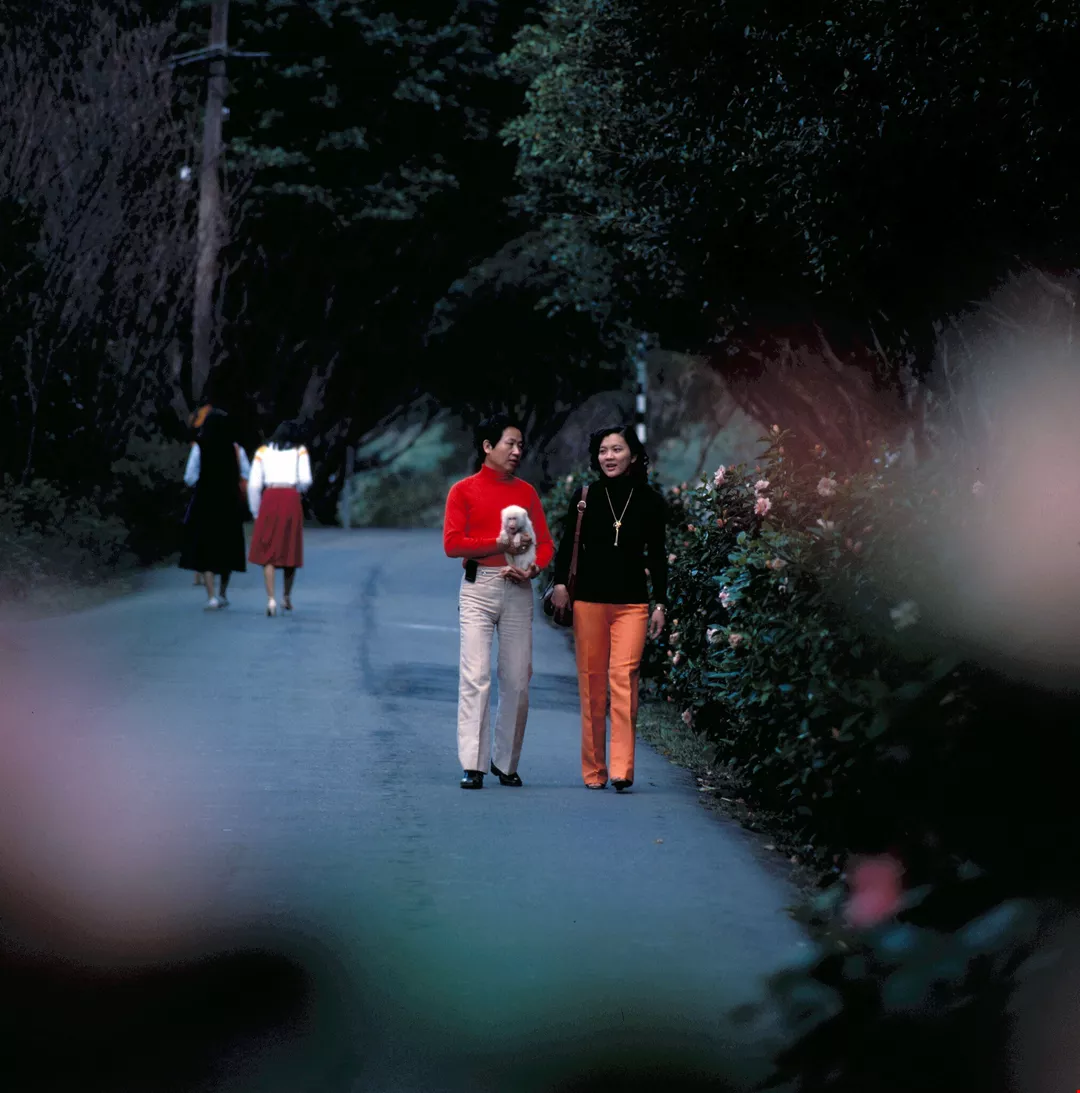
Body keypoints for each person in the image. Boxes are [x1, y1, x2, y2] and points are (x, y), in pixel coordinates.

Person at [550, 425, 668, 792]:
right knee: (592, 685)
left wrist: (661, 602)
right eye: (603, 450)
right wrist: (559, 584)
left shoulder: (650, 501)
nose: (609, 457)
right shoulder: (585, 497)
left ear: (633, 455)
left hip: (633, 604)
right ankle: (594, 770)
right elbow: (567, 544)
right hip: (588, 602)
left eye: (617, 449)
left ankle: (621, 768)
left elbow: (658, 556)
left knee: (624, 678)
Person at [443, 414, 555, 789]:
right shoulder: (463, 491)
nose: (517, 451)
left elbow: (546, 543)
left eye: (521, 444)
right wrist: (499, 544)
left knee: (518, 680)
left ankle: (506, 763)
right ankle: (472, 764)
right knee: (476, 676)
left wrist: (534, 568)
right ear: (488, 447)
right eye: (510, 443)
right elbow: (452, 544)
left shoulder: (526, 493)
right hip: (478, 588)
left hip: (518, 589)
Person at [180, 409, 250, 609]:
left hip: (205, 502)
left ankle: (211, 596)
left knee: (206, 548)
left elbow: (189, 477)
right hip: (229, 503)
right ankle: (223, 593)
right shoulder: (236, 449)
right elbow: (246, 473)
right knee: (228, 546)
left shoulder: (199, 448)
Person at [247, 420, 312, 617]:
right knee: (289, 549)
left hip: (270, 498)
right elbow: (306, 480)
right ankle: (286, 597)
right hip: (290, 498)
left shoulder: (262, 452)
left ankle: (271, 599)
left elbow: (253, 485)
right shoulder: (300, 451)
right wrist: (297, 490)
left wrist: (256, 511)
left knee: (269, 549)